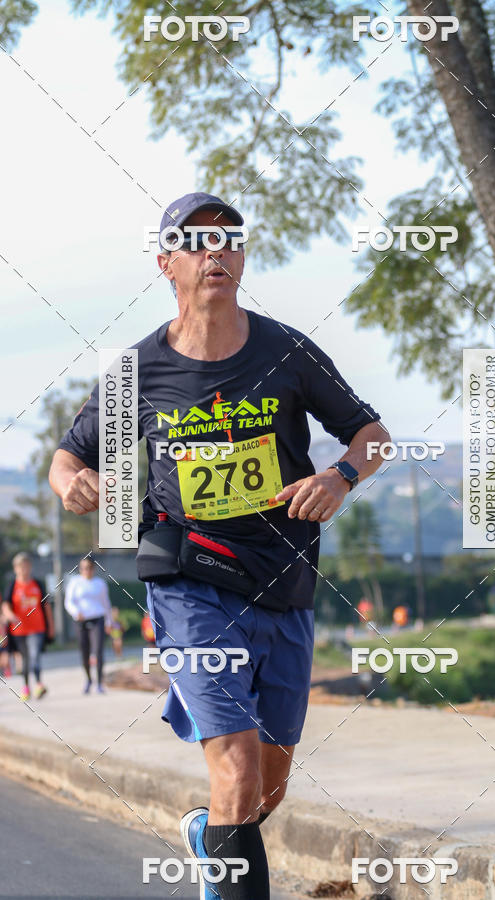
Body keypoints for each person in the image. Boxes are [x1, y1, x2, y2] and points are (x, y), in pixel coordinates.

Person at [49, 191, 390, 900]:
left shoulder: (286, 351)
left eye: (229, 240)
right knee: (234, 766)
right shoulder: (138, 371)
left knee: (265, 788)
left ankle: (211, 836)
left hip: (284, 579)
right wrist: (74, 483)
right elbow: (67, 458)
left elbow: (371, 434)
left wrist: (342, 474)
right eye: (197, 242)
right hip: (189, 580)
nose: (217, 253)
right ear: (165, 263)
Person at [2, 553, 54, 701]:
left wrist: (51, 626)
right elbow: (6, 605)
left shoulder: (37, 584)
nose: (23, 569)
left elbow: (46, 606)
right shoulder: (13, 586)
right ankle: (26, 687)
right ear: (15, 568)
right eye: (20, 567)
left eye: (26, 566)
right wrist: (11, 616)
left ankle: (38, 684)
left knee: (34, 656)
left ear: (30, 567)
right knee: (24, 660)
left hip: (37, 628)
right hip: (18, 631)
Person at [64, 557, 112, 694]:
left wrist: (109, 622)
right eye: (84, 568)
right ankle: (89, 679)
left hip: (97, 619)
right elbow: (68, 602)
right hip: (81, 621)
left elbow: (106, 603)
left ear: (93, 569)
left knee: (98, 651)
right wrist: (75, 612)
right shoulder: (75, 582)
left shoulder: (100, 583)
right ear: (80, 569)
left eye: (89, 568)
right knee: (84, 652)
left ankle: (100, 683)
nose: (87, 571)